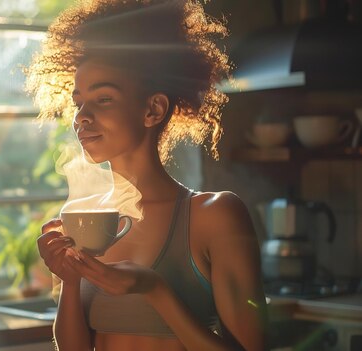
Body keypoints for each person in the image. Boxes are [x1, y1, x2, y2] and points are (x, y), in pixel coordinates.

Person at [26, 1, 268, 350]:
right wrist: (69, 279)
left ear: (153, 109)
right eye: (79, 102)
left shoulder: (214, 216)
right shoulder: (85, 223)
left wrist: (155, 289)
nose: (81, 116)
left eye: (103, 99)